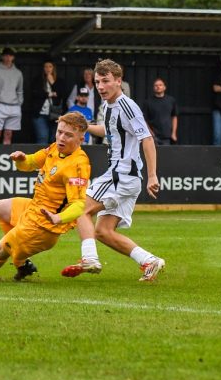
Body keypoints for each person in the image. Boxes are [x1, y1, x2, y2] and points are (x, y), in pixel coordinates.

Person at [0, 112, 91, 282]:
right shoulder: (55, 148)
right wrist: (20, 159)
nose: (61, 137)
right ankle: (22, 263)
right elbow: (30, 163)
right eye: (59, 132)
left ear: (81, 139)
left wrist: (58, 218)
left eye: (68, 135)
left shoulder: (77, 165)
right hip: (34, 208)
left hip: (44, 226)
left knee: (0, 250)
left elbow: (79, 205)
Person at [62, 59, 166, 283]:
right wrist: (85, 127)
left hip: (122, 174)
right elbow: (109, 132)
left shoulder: (127, 106)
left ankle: (89, 258)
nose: (100, 86)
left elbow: (146, 138)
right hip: (125, 176)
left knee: (78, 208)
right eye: (98, 81)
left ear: (118, 82)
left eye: (106, 81)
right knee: (102, 231)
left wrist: (153, 175)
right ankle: (149, 261)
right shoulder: (108, 105)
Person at [30, 59, 63, 145]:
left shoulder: (59, 81)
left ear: (53, 68)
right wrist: (49, 94)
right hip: (40, 113)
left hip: (54, 114)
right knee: (42, 137)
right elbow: (35, 93)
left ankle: (52, 158)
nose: (48, 69)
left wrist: (52, 82)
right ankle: (41, 158)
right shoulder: (37, 80)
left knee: (53, 138)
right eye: (46, 66)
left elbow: (61, 94)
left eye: (50, 66)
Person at [143, 77, 178, 145]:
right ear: (153, 88)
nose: (158, 87)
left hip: (167, 137)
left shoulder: (171, 100)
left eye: (160, 85)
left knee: (167, 155)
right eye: (156, 85)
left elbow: (174, 117)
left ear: (164, 87)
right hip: (153, 137)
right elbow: (144, 120)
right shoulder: (148, 102)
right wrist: (150, 133)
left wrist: (173, 133)